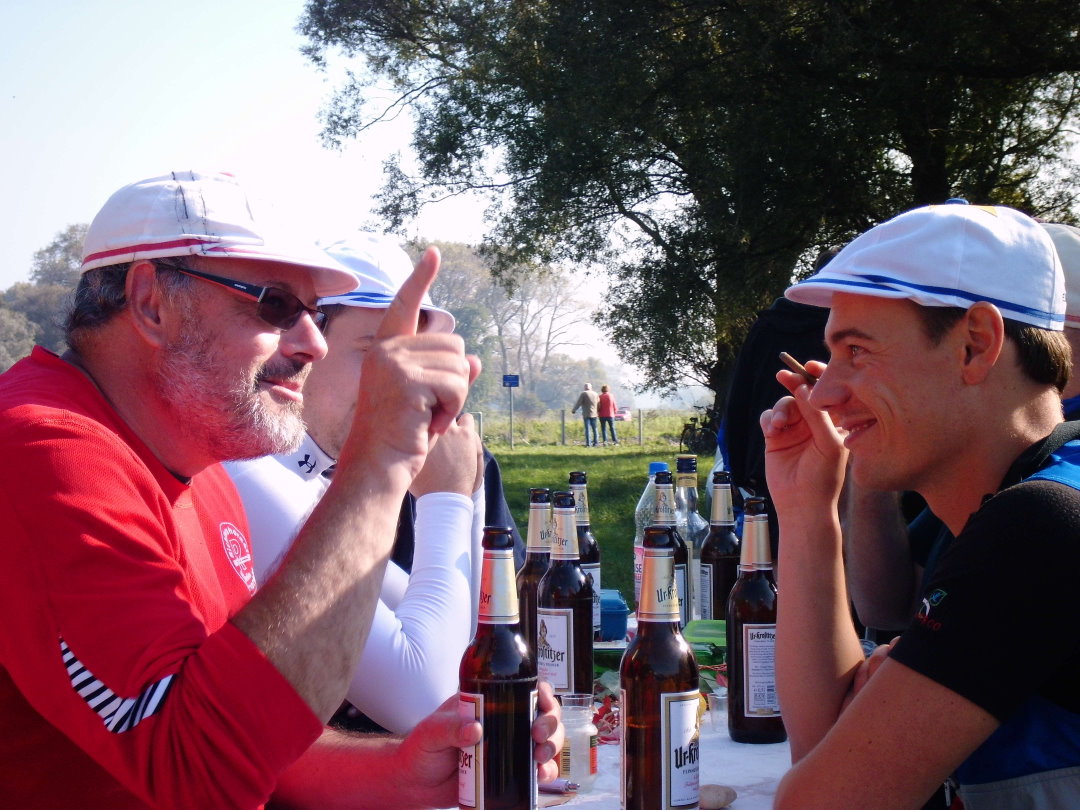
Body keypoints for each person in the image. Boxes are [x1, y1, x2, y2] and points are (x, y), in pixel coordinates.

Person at [0, 170, 561, 809]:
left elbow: (246, 727)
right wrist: (380, 462)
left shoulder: (199, 465)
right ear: (153, 303)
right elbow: (197, 766)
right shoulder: (47, 453)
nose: (313, 344)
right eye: (276, 306)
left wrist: (403, 772)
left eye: (315, 315)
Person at [760, 201, 1080, 808]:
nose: (823, 393)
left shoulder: (1041, 525)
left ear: (975, 345)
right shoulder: (1025, 496)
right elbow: (829, 750)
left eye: (858, 351)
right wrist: (805, 510)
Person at [225, 232, 508, 733]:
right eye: (377, 353)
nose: (407, 385)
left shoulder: (304, 477)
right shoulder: (247, 472)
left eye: (416, 360)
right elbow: (424, 701)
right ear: (306, 346)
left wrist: (468, 487)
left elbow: (470, 658)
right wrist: (447, 498)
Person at [844, 221, 1080, 636]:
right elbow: (889, 607)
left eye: (861, 350)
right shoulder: (998, 447)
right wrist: (871, 455)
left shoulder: (1049, 486)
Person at [571, 381, 601, 446]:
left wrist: (574, 410)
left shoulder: (583, 393)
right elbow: (599, 404)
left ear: (585, 387)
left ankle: (588, 444)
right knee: (595, 429)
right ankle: (596, 443)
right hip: (594, 414)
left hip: (586, 414)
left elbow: (578, 403)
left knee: (588, 429)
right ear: (591, 387)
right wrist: (597, 411)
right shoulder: (595, 394)